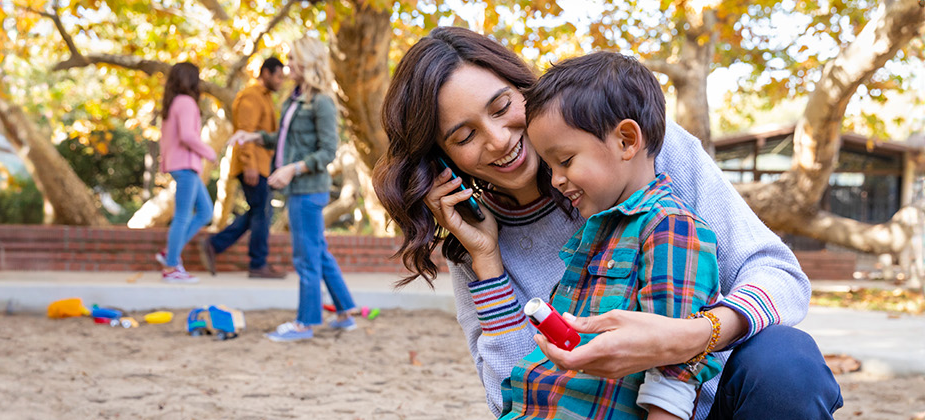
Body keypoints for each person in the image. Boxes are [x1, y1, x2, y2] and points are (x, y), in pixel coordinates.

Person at [372, 27, 840, 419]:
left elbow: (777, 273)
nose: (497, 140)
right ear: (444, 159)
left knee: (786, 361)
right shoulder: (474, 243)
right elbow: (507, 400)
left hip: (708, 403)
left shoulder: (641, 146)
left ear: (524, 90)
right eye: (465, 135)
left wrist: (692, 335)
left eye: (501, 107)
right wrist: (488, 262)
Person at [499, 52, 721, 420]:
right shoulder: (598, 231)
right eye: (550, 166)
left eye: (565, 161)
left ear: (626, 140)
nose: (555, 179)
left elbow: (674, 368)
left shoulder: (670, 228)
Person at [229, 38, 359, 340]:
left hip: (309, 189)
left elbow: (328, 151)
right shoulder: (294, 98)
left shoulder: (322, 102)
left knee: (306, 257)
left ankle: (305, 323)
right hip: (299, 189)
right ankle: (344, 311)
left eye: (291, 59)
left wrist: (292, 169)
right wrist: (253, 137)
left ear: (307, 62)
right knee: (319, 252)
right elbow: (285, 139)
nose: (287, 65)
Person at [207, 57, 288, 279]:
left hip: (262, 165)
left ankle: (215, 244)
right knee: (262, 211)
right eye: (279, 76)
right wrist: (250, 165)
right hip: (252, 165)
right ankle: (257, 264)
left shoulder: (266, 99)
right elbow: (244, 132)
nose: (281, 81)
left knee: (259, 211)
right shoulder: (251, 96)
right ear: (267, 73)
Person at [154, 62, 218, 284]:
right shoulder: (186, 102)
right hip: (185, 166)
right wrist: (210, 153)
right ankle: (171, 267)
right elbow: (187, 137)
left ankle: (169, 253)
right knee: (183, 215)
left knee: (205, 211)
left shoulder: (174, 103)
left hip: (181, 165)